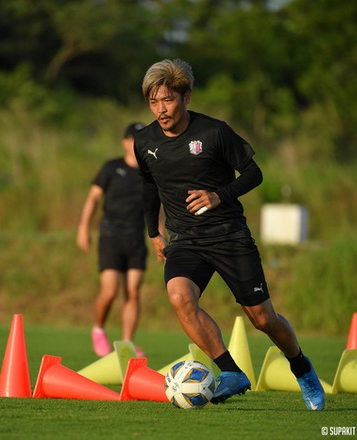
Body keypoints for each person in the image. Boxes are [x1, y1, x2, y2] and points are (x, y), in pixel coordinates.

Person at [133, 59, 325, 410]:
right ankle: (231, 372)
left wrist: (218, 194)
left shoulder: (214, 132)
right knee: (179, 296)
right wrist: (154, 232)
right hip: (185, 240)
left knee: (263, 319)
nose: (161, 109)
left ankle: (302, 367)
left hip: (229, 235)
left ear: (186, 97)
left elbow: (254, 173)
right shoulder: (144, 141)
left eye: (168, 100)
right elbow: (149, 186)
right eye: (154, 101)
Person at [77, 123, 148, 357]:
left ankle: (127, 343)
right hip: (110, 236)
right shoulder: (111, 167)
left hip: (137, 237)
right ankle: (98, 329)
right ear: (125, 142)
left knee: (133, 292)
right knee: (109, 292)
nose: (136, 144)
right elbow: (93, 199)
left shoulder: (150, 172)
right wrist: (83, 228)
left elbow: (155, 207)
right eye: (132, 139)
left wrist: (160, 236)